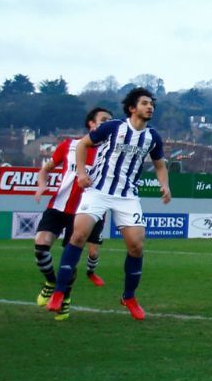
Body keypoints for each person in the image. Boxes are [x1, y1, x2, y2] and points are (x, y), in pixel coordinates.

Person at [46, 87, 171, 321]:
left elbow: (160, 164)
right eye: (144, 103)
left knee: (136, 246)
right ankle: (59, 292)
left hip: (127, 196)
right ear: (132, 108)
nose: (150, 107)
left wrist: (165, 185)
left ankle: (129, 297)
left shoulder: (152, 137)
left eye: (151, 103)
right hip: (98, 190)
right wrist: (82, 173)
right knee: (78, 236)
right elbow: (83, 145)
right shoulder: (113, 127)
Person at [32, 108, 111, 299]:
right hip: (59, 205)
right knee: (41, 245)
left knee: (71, 259)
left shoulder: (109, 154)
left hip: (84, 212)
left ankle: (64, 298)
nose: (108, 123)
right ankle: (51, 281)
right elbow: (45, 169)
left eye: (111, 121)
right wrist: (42, 185)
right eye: (104, 120)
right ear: (91, 124)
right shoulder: (69, 146)